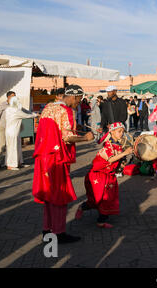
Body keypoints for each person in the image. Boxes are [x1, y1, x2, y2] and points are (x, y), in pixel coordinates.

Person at [32, 85, 94, 244]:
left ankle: (47, 230)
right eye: (79, 100)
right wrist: (85, 138)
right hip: (56, 158)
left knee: (48, 196)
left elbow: (49, 129)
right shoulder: (67, 111)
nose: (78, 104)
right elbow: (67, 138)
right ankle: (59, 233)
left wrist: (74, 128)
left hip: (43, 157)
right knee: (59, 196)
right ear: (74, 97)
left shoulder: (49, 107)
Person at [75, 122, 133, 228]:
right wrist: (124, 153)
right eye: (119, 131)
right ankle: (82, 207)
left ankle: (101, 221)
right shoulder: (108, 146)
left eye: (122, 132)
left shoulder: (119, 145)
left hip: (109, 176)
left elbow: (119, 161)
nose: (121, 134)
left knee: (108, 198)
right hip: (98, 176)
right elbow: (110, 159)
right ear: (112, 132)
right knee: (98, 199)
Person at [4, 96, 38, 170]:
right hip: (13, 132)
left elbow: (24, 110)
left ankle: (18, 163)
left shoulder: (8, 109)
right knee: (13, 148)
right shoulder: (16, 111)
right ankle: (11, 165)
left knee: (15, 148)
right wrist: (36, 115)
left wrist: (32, 113)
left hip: (11, 132)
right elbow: (27, 115)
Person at [0, 91, 16, 167]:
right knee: (2, 144)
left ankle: (9, 161)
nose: (15, 97)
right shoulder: (3, 105)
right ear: (8, 97)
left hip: (11, 127)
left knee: (10, 144)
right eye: (13, 96)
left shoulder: (14, 105)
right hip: (3, 127)